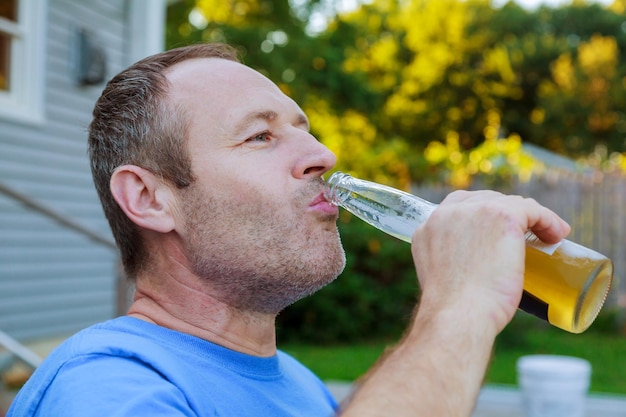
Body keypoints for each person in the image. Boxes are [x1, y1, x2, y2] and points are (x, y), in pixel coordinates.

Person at [7, 42, 570, 417]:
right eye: (260, 136)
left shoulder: (301, 387)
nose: (322, 154)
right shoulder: (107, 390)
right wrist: (459, 307)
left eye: (305, 131)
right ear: (150, 198)